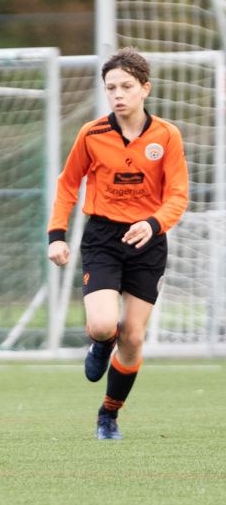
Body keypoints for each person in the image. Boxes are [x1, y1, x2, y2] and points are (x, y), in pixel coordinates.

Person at [47, 48, 188, 441]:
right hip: (104, 239)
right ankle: (98, 343)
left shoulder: (166, 136)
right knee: (105, 325)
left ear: (145, 89)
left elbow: (178, 194)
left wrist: (154, 223)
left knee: (134, 336)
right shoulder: (92, 134)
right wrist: (56, 235)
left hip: (149, 241)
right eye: (111, 87)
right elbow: (67, 184)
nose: (118, 94)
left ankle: (108, 415)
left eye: (126, 86)